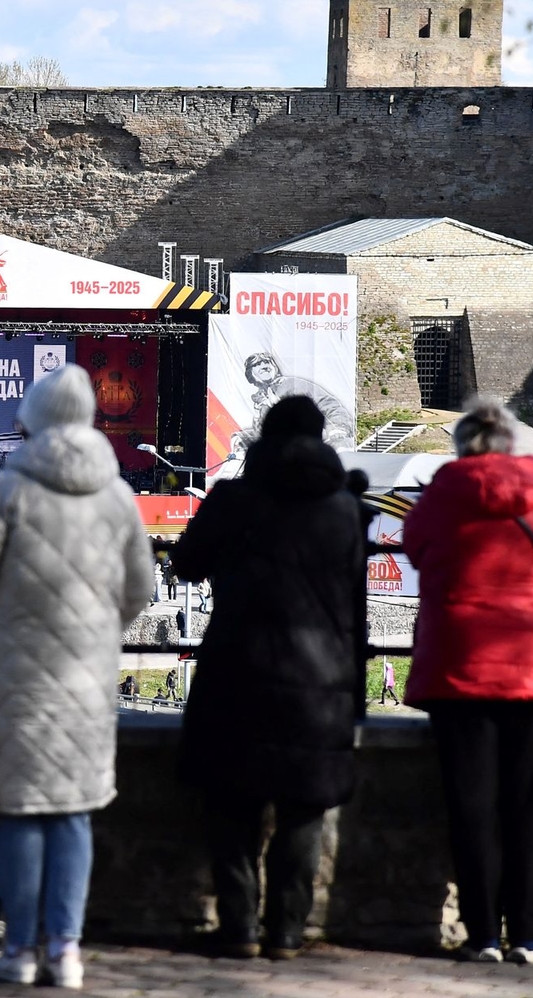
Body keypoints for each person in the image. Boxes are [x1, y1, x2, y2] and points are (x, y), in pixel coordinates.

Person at [0, 365, 153, 989]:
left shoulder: (8, 489)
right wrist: (95, 628)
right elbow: (140, 590)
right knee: (75, 812)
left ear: (31, 417)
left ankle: (21, 949)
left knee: (20, 812)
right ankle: (67, 951)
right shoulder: (118, 496)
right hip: (87, 682)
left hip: (15, 683)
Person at [172, 396, 369, 961]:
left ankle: (239, 928)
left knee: (230, 807)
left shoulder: (233, 498)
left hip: (238, 670)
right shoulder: (343, 510)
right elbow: (355, 612)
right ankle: (286, 931)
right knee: (303, 810)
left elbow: (186, 562)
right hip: (320, 680)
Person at [402, 397, 533, 965]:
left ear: (462, 444)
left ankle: (482, 935)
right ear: (509, 443)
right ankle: (529, 931)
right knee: (531, 806)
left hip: (461, 664)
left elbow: (417, 551)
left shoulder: (441, 494)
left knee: (470, 805)